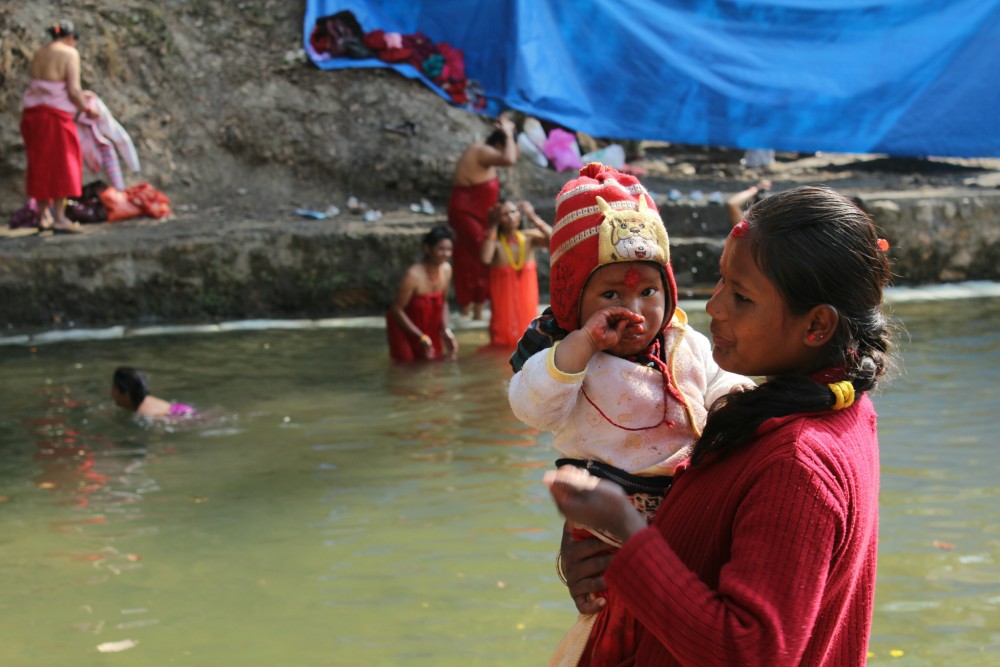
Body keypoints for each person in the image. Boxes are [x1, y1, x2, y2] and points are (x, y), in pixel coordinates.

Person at [545, 185, 894, 666]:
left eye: (742, 296)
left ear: (816, 325)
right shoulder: (832, 409)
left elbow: (746, 652)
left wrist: (627, 528)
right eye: (720, 280)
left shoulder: (798, 463)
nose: (714, 307)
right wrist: (614, 555)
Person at [507, 163, 752, 660]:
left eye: (649, 292)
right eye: (611, 295)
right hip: (604, 518)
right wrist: (579, 344)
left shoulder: (686, 343)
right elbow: (530, 407)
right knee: (615, 630)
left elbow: (722, 387)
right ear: (575, 302)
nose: (634, 311)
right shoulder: (573, 359)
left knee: (677, 615)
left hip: (680, 505)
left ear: (670, 291)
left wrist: (740, 402)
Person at [20, 20, 99, 233]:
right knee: (63, 166)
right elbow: (72, 90)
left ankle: (43, 215)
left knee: (39, 164)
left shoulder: (39, 53)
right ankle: (60, 218)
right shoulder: (69, 53)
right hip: (55, 117)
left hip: (32, 116)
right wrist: (88, 109)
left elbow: (42, 86)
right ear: (70, 37)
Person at [447, 115, 519, 320]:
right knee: (481, 256)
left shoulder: (486, 154)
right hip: (466, 212)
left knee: (470, 259)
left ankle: (473, 310)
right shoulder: (482, 151)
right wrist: (508, 132)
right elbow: (510, 159)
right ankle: (472, 311)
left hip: (479, 215)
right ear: (500, 143)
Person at [479, 199, 551, 348]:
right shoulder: (495, 243)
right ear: (497, 219)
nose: (511, 217)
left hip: (528, 303)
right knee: (502, 344)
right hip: (503, 307)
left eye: (513, 212)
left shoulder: (529, 237)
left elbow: (556, 239)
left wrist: (533, 217)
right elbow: (485, 258)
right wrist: (492, 225)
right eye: (504, 214)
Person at [386, 225, 459, 362]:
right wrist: (420, 336)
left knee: (434, 363)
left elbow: (444, 303)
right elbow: (396, 310)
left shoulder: (447, 269)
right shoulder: (413, 275)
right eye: (441, 249)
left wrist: (446, 330)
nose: (446, 254)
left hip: (431, 324)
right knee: (407, 368)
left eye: (449, 250)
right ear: (427, 248)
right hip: (407, 328)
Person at [111, 367, 197, 420]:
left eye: (114, 389)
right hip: (181, 409)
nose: (112, 393)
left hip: (180, 417)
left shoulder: (142, 413)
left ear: (126, 394)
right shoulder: (146, 400)